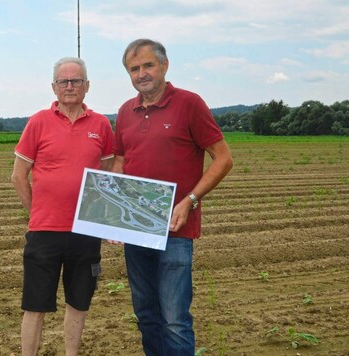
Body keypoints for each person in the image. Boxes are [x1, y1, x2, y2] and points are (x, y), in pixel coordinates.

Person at [112, 38, 234, 355]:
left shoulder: (190, 104)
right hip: (136, 226)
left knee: (175, 318)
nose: (142, 73)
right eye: (134, 68)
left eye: (148, 65)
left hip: (176, 228)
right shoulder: (125, 111)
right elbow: (121, 162)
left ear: (165, 66)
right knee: (146, 314)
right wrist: (112, 215)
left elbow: (223, 158)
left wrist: (189, 200)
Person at [11, 57, 115, 356]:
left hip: (86, 230)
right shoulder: (38, 122)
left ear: (87, 86)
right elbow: (18, 176)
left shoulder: (101, 124)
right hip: (44, 232)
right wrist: (37, 214)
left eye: (77, 81)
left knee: (79, 303)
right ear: (54, 87)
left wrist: (107, 219)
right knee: (35, 305)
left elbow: (108, 176)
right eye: (64, 81)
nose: (70, 86)